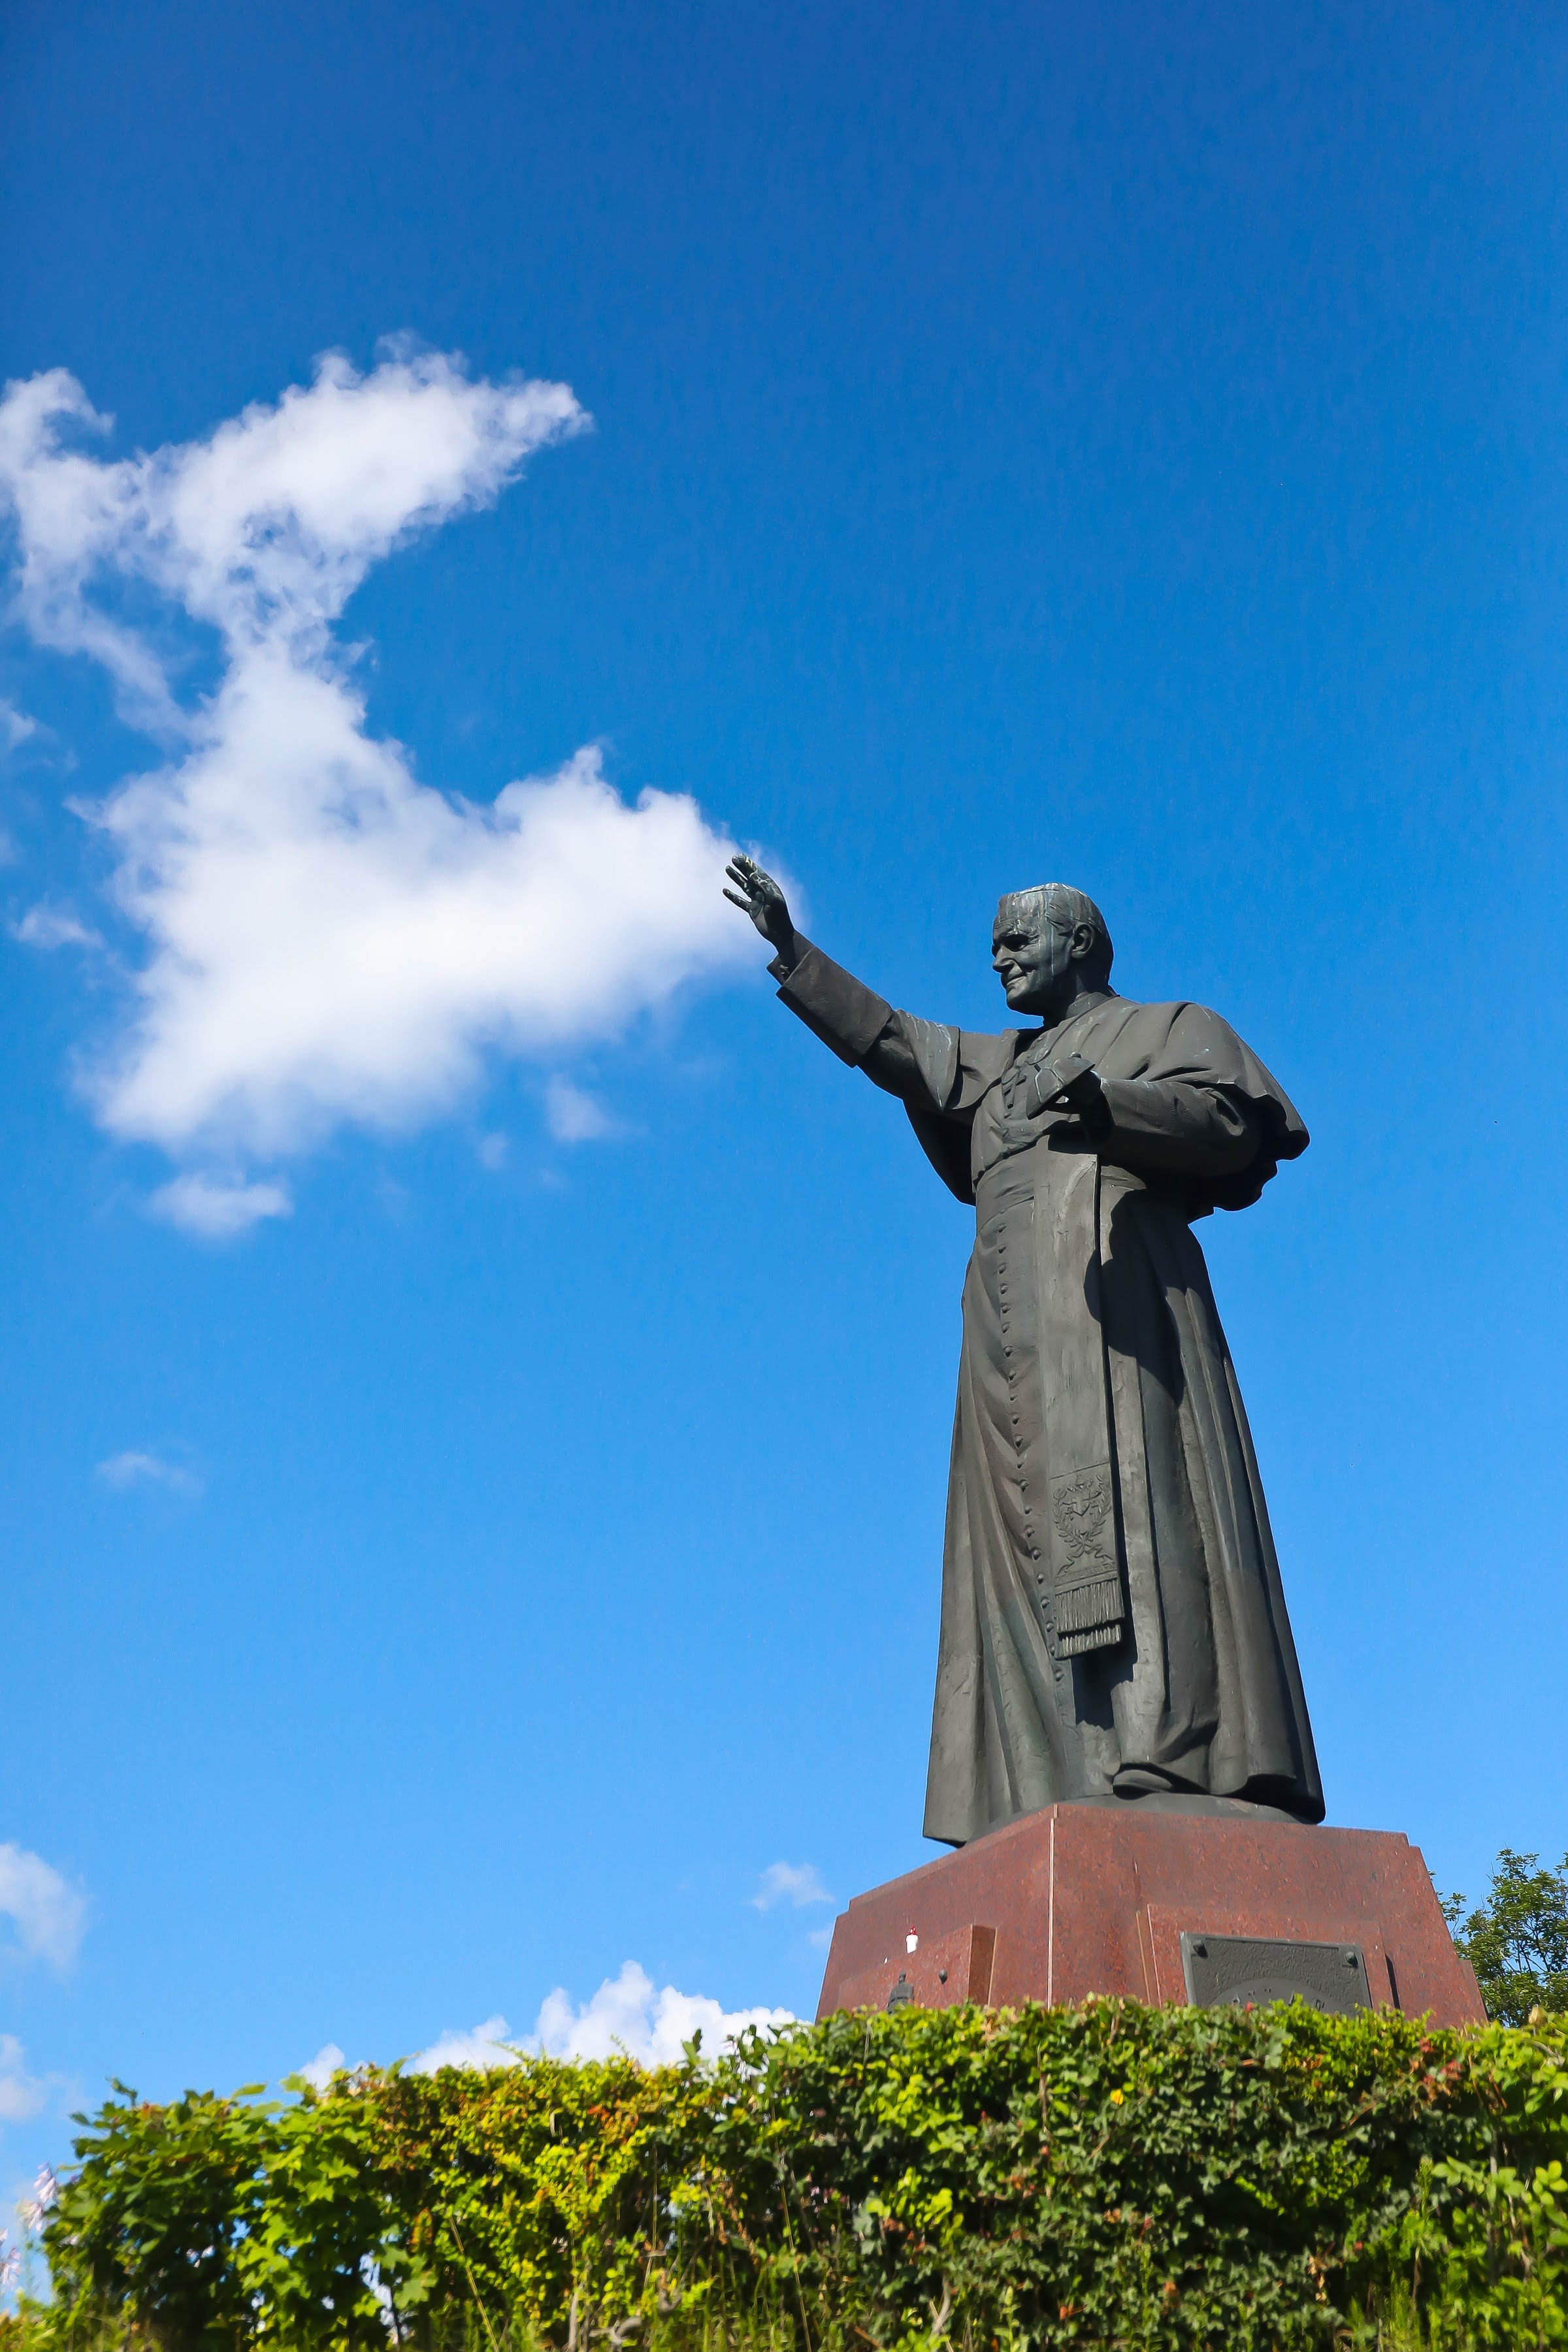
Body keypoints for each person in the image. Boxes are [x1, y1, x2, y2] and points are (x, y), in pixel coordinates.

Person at [725, 855, 1323, 1842]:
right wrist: (795, 953)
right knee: (1018, 1556)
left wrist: (1113, 1106)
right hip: (1007, 1343)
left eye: (1016, 941)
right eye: (994, 946)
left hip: (1117, 1316)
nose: (998, 959)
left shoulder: (1168, 1027)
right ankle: (1049, 1773)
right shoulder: (1000, 1065)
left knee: (1141, 1518)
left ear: (1078, 942)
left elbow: (1233, 1125)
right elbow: (892, 1041)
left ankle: (1166, 1750)